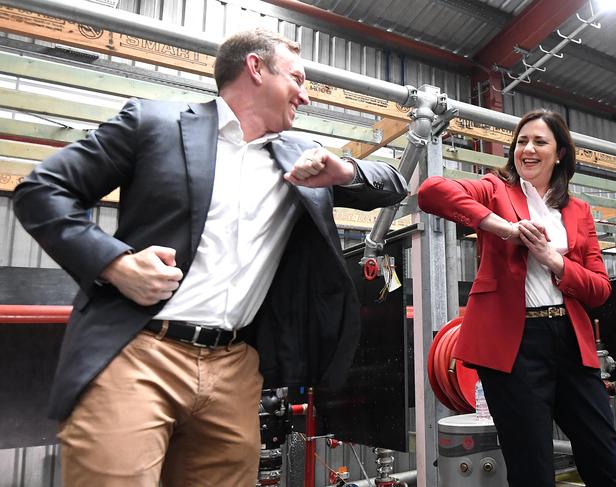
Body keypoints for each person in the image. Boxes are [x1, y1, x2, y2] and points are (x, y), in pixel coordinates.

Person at [13, 28, 408, 487]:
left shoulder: (301, 157)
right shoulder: (153, 123)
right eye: (298, 79)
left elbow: (393, 183)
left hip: (235, 367)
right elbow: (42, 190)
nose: (306, 96)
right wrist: (115, 264)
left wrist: (347, 170)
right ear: (256, 69)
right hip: (139, 351)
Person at [418, 109, 616, 487]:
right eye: (521, 141)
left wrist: (556, 263)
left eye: (540, 141)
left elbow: (600, 289)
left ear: (560, 152)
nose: (527, 149)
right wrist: (503, 228)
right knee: (531, 467)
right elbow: (431, 192)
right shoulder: (495, 188)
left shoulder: (578, 211)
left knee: (604, 456)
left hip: (570, 343)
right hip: (513, 349)